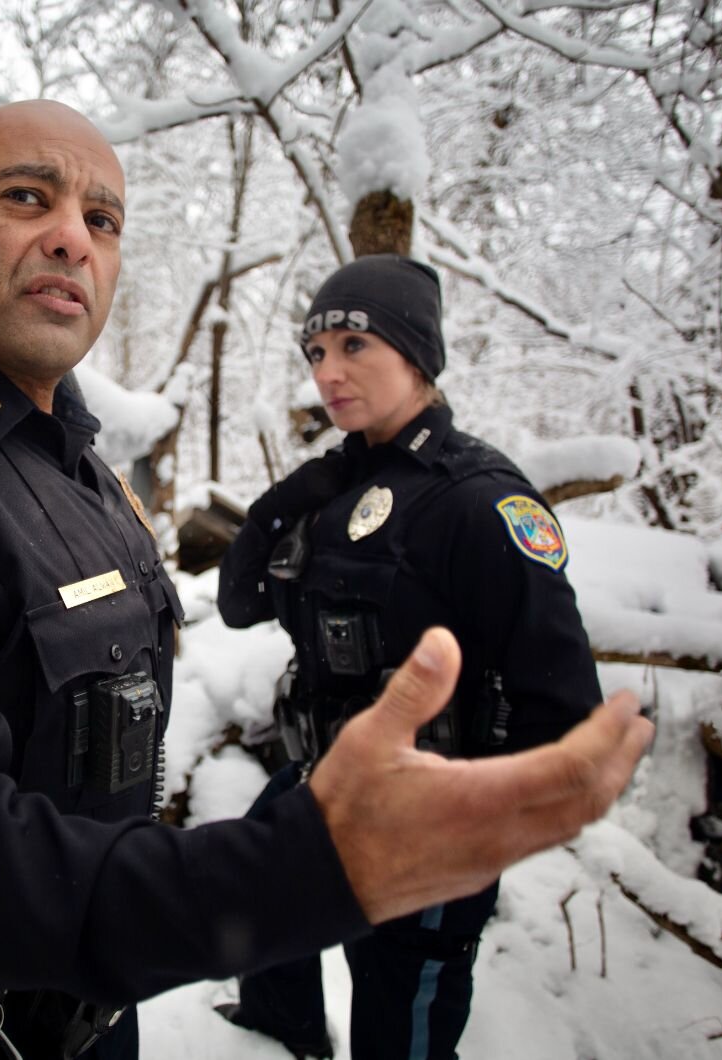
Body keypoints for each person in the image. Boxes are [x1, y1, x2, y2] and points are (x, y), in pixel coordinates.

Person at [0, 101, 652, 1060]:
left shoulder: (88, 483)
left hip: (92, 1013)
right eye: (27, 197)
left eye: (102, 220)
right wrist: (291, 873)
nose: (71, 237)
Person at [213, 254, 604, 1059]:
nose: (328, 371)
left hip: (426, 814)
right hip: (326, 776)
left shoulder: (481, 500)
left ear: (416, 355)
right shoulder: (340, 488)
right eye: (316, 352)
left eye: (355, 345)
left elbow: (564, 707)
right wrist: (287, 499)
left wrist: (468, 826)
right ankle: (280, 1032)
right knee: (257, 896)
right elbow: (241, 602)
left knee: (401, 1005)